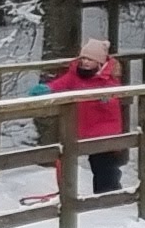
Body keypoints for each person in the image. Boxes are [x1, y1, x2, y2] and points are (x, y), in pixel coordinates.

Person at [43, 37, 134, 194]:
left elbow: (113, 96)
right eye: (83, 58)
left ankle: (108, 196)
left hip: (105, 131)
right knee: (64, 158)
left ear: (99, 63)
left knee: (103, 166)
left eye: (90, 59)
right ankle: (66, 193)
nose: (85, 62)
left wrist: (105, 98)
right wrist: (46, 89)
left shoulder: (107, 79)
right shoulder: (75, 75)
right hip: (82, 127)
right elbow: (61, 84)